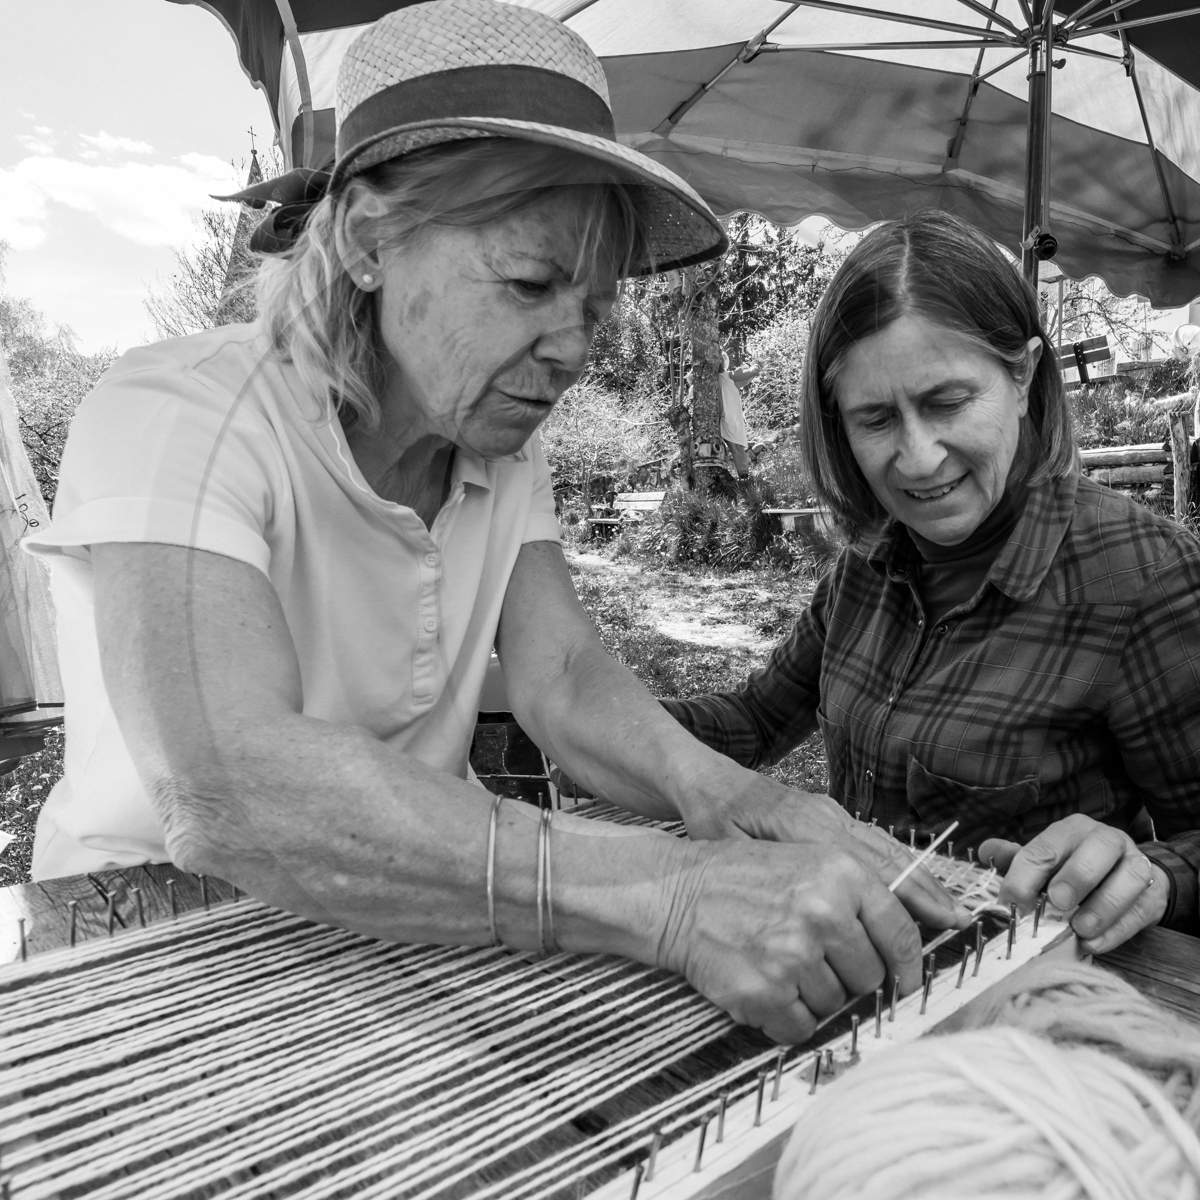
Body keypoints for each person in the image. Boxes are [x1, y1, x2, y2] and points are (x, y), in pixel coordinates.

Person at [21, 0, 962, 1045]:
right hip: (156, 930)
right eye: (529, 284)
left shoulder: (501, 447)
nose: (571, 348)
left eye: (594, 307)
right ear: (373, 240)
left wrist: (741, 800)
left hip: (426, 909)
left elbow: (562, 680)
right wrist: (673, 888)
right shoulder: (178, 414)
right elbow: (234, 785)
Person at [665, 209, 1200, 957]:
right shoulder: (868, 563)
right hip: (864, 980)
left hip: (1028, 1014)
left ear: (1023, 377)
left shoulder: (1137, 578)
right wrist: (602, 725)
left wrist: (1155, 875)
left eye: (948, 403)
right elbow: (755, 722)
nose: (917, 460)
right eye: (877, 419)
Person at [719, 350, 760, 477]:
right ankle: (743, 474)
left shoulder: (722, 377)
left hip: (722, 418)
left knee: (734, 448)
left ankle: (743, 474)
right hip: (731, 417)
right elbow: (745, 374)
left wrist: (753, 370)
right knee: (738, 450)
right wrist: (755, 367)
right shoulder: (728, 376)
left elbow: (743, 376)